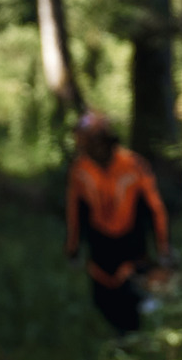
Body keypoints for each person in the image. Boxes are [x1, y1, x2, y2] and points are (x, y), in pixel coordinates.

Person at [64, 110, 170, 335]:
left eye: (92, 141)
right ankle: (121, 343)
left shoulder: (133, 164)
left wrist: (163, 247)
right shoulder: (80, 170)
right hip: (99, 242)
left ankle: (139, 342)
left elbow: (155, 208)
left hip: (131, 240)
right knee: (103, 299)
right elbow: (75, 210)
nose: (89, 148)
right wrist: (73, 248)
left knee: (132, 297)